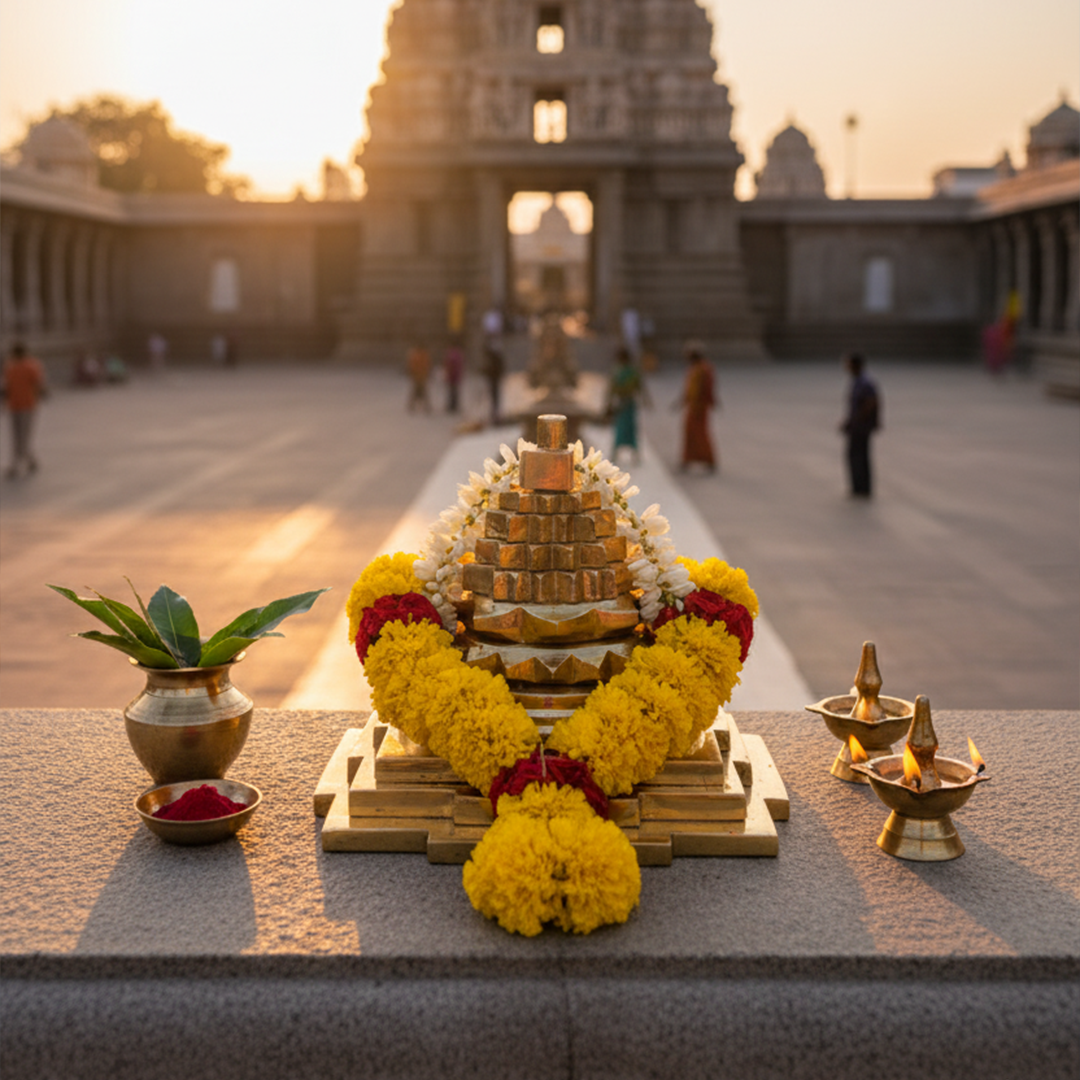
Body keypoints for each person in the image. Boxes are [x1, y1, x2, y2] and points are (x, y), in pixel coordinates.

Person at [2, 342, 48, 479]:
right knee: (23, 436)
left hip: (18, 405)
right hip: (27, 405)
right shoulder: (32, 365)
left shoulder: (11, 367)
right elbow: (39, 384)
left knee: (18, 437)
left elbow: (6, 388)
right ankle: (29, 460)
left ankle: (17, 465)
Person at [839, 351, 881, 498]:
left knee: (859, 456)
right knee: (856, 456)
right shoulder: (857, 381)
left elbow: (871, 402)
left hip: (861, 427)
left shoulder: (865, 382)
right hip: (857, 425)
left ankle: (862, 487)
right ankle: (859, 486)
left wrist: (857, 419)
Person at [677, 342, 718, 473]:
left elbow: (706, 388)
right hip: (693, 405)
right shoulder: (695, 369)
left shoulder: (703, 369)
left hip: (699, 407)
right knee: (690, 433)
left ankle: (708, 459)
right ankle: (688, 459)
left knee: (700, 434)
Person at [608, 347, 648, 464]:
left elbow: (612, 389)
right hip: (625, 404)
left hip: (626, 404)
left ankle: (631, 455)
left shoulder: (624, 371)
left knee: (628, 429)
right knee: (623, 429)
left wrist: (609, 403)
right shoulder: (626, 371)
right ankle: (626, 454)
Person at [479, 342, 505, 425]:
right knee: (494, 399)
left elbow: (493, 368)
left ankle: (495, 417)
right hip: (493, 379)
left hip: (494, 379)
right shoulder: (494, 358)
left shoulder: (493, 359)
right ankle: (494, 416)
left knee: (495, 398)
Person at [405, 343, 432, 413]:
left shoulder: (415, 355)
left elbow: (411, 365)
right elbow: (427, 365)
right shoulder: (424, 355)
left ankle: (412, 406)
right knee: (422, 392)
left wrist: (411, 373)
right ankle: (426, 407)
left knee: (415, 392)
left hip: (417, 375)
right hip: (422, 375)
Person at [443, 340, 464, 414]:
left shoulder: (452, 354)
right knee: (455, 392)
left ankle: (452, 406)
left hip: (452, 376)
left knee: (452, 392)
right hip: (457, 375)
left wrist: (448, 374)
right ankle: (454, 405)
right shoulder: (459, 354)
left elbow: (450, 365)